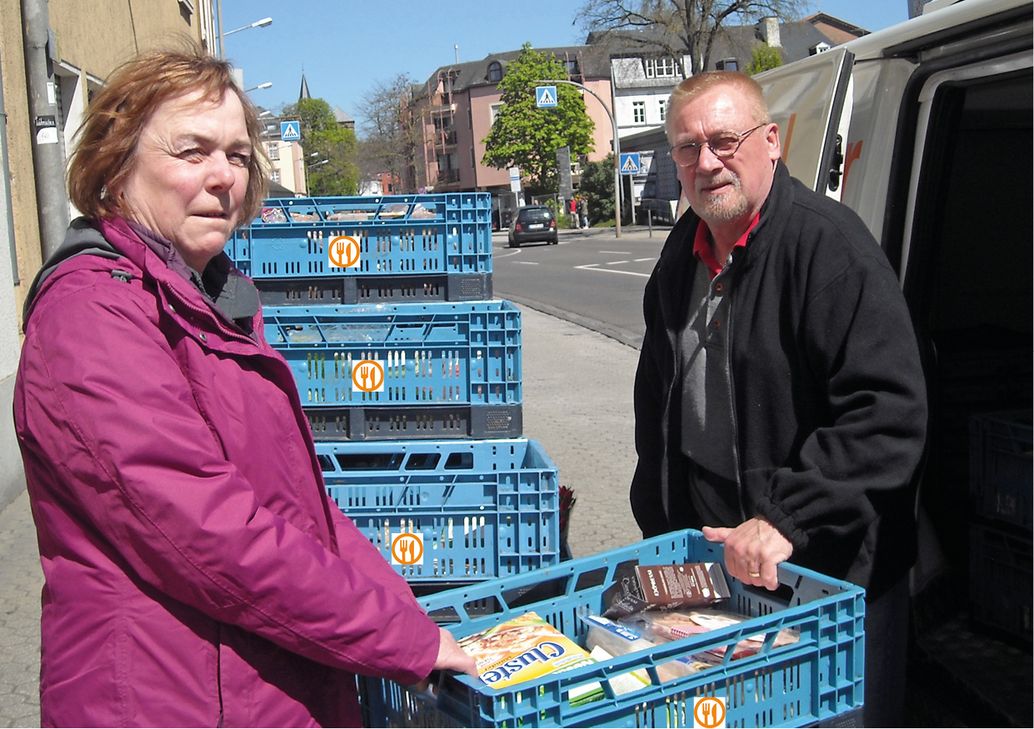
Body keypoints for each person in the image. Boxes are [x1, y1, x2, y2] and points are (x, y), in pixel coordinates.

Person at [13, 46, 475, 727]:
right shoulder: (92, 315)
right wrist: (400, 638)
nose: (222, 176)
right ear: (116, 163)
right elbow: (213, 534)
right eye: (192, 150)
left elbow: (298, 517)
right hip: (172, 702)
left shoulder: (208, 298)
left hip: (258, 687)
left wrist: (408, 618)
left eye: (236, 154)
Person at [630, 72, 927, 727]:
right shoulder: (679, 259)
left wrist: (786, 516)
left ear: (770, 142)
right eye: (688, 147)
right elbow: (656, 408)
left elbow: (889, 413)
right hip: (720, 569)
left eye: (724, 140)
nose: (707, 162)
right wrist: (659, 528)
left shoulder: (831, 248)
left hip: (829, 575)